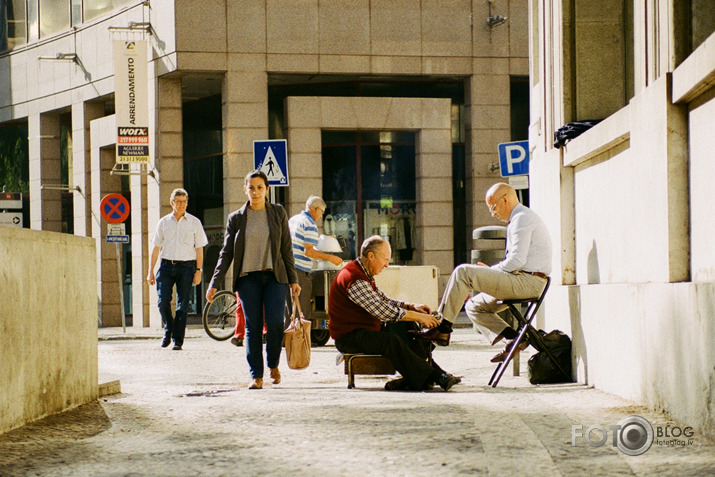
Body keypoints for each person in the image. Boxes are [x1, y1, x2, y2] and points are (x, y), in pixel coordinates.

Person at [412, 182, 552, 363]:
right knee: (473, 306)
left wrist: (493, 271)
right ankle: (516, 338)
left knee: (463, 272)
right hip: (522, 278)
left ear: (505, 200)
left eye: (493, 207)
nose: (493, 213)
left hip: (527, 281)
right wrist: (494, 272)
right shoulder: (519, 218)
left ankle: (443, 328)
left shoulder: (522, 218)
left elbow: (517, 261)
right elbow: (516, 262)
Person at [206, 170, 300, 390]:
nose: (255, 192)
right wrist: (214, 282)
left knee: (276, 323)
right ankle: (256, 375)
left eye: (260, 187)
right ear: (245, 190)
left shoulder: (278, 213)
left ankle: (273, 363)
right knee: (253, 326)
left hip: (275, 276)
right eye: (251, 188)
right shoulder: (236, 218)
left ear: (267, 189)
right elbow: (226, 253)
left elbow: (286, 248)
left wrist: (293, 279)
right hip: (248, 279)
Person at [328, 235, 460, 391]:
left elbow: (383, 299)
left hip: (363, 331)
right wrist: (419, 316)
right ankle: (436, 377)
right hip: (349, 337)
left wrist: (411, 307)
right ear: (371, 256)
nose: (386, 265)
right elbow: (382, 310)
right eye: (385, 259)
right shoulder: (353, 277)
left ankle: (422, 377)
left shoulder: (363, 274)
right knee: (390, 340)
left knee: (408, 328)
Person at [147, 188, 208, 351]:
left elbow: (199, 249)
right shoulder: (164, 222)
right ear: (172, 203)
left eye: (184, 202)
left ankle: (177, 340)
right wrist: (150, 271)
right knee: (162, 301)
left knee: (182, 305)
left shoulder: (195, 223)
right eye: (178, 202)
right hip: (166, 265)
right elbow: (155, 248)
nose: (181, 205)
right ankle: (169, 328)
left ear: (187, 203)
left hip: (187, 267)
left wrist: (198, 270)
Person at [287, 195, 343, 323]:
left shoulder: (293, 220)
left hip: (288, 269)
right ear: (317, 209)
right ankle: (299, 341)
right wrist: (330, 258)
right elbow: (308, 251)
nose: (320, 216)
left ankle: (287, 341)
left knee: (289, 310)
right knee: (301, 310)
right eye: (322, 212)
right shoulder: (310, 224)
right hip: (300, 271)